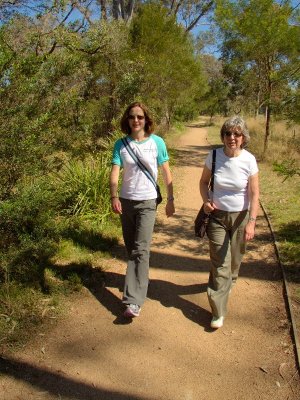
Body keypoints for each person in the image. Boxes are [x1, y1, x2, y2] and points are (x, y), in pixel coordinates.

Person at [110, 102, 175, 318]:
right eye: (132, 117)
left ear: (146, 119)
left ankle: (133, 301)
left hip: (148, 202)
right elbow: (115, 172)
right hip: (126, 201)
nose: (136, 120)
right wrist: (113, 196)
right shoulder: (120, 144)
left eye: (140, 117)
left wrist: (171, 199)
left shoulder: (157, 142)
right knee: (131, 248)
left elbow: (166, 171)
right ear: (127, 120)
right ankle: (139, 278)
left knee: (140, 249)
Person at [199, 116, 259, 329]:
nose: (231, 138)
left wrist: (252, 221)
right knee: (220, 262)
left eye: (236, 134)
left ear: (243, 137)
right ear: (222, 136)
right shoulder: (213, 156)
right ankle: (218, 310)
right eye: (228, 133)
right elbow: (204, 182)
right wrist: (206, 201)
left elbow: (254, 193)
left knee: (235, 260)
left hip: (241, 217)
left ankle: (230, 281)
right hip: (217, 217)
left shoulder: (249, 160)